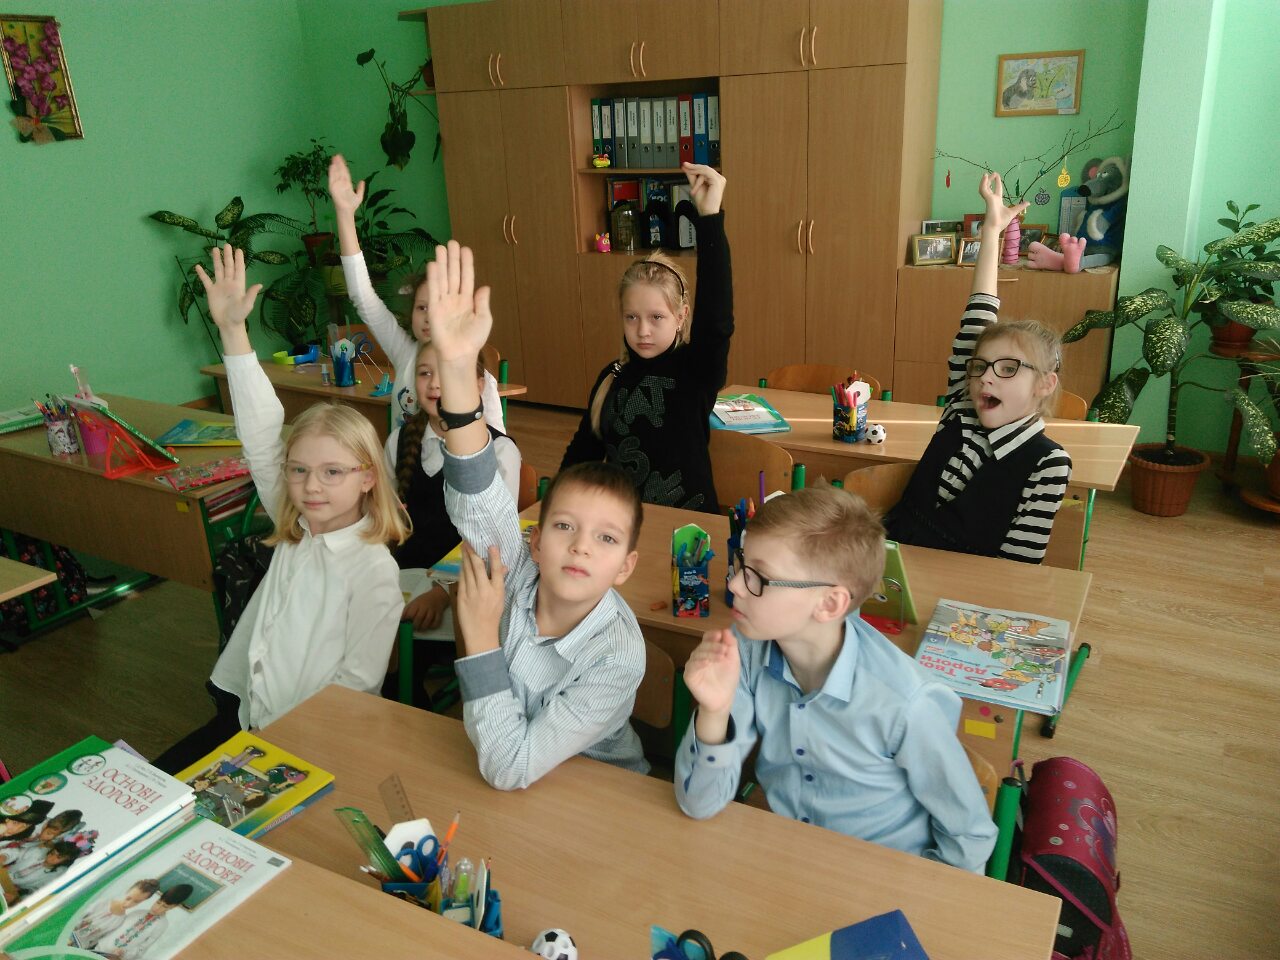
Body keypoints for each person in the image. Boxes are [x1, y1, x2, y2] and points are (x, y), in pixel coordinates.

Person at [154, 246, 408, 772]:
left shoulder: (373, 570)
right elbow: (260, 434)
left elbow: (357, 685)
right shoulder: (299, 521)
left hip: (305, 744)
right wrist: (233, 332)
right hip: (248, 714)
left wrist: (277, 754)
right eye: (298, 470)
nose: (311, 487)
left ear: (367, 477)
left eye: (332, 472)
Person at [674, 485, 997, 873]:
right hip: (788, 865)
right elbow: (698, 803)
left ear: (829, 604)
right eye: (742, 564)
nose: (734, 585)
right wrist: (714, 712)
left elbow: (969, 837)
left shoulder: (906, 703)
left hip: (883, 879)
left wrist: (915, 900)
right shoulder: (744, 650)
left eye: (758, 576)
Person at [427, 239, 648, 789]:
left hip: (600, 794)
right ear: (535, 540)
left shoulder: (619, 654)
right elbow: (480, 496)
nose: (580, 546)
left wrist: (480, 637)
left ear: (626, 566)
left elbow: (511, 766)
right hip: (513, 775)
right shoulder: (519, 569)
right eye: (564, 526)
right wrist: (456, 369)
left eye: (606, 539)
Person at [884, 172, 1072, 563]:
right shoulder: (961, 408)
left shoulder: (1047, 463)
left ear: (1044, 383)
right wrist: (991, 231)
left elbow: (1016, 567)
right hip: (890, 569)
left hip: (965, 591)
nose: (985, 376)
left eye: (1008, 368)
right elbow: (978, 313)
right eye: (981, 366)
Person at [560, 163, 732, 514]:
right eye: (631, 317)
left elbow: (716, 320)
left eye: (657, 317)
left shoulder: (696, 371)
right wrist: (557, 511)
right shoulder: (612, 377)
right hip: (625, 525)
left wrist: (709, 218)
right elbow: (582, 457)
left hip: (688, 532)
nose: (642, 330)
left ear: (681, 316)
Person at [329, 153, 506, 431]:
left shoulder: (476, 375)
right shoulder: (405, 353)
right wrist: (344, 214)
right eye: (421, 307)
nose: (428, 317)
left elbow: (498, 441)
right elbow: (362, 295)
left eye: (438, 308)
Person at [388, 339, 521, 634]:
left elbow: (496, 545)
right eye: (425, 373)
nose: (435, 383)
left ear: (478, 385)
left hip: (467, 588)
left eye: (450, 372)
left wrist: (441, 593)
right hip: (403, 579)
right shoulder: (398, 440)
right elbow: (385, 520)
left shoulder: (501, 451)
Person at [98, 882, 193, 960]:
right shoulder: (138, 912)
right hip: (98, 949)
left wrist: (124, 952)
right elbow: (113, 928)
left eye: (164, 906)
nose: (157, 908)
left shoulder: (162, 925)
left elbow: (142, 948)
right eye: (158, 902)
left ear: (173, 907)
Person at [69, 879, 159, 950]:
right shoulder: (102, 903)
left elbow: (97, 940)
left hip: (78, 948)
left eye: (136, 902)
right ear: (128, 890)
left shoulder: (121, 921)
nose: (128, 904)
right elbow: (75, 918)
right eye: (128, 898)